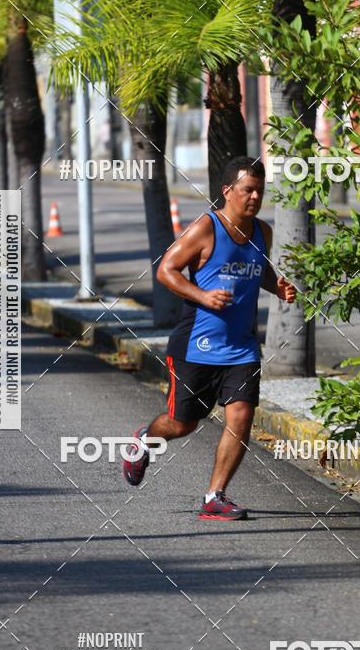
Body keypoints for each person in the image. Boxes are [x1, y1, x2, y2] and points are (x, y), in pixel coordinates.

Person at [122, 156, 296, 520]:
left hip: (243, 347)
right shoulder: (206, 227)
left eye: (260, 192)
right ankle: (143, 441)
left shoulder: (263, 232)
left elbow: (256, 271)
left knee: (241, 416)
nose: (254, 197)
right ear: (227, 191)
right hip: (196, 345)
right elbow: (166, 269)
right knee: (182, 424)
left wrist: (276, 288)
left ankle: (215, 495)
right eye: (248, 190)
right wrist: (202, 295)